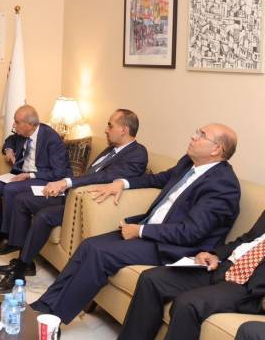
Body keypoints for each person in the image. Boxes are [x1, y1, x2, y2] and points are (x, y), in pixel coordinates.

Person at [30, 124, 241, 324]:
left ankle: (53, 320)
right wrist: (122, 183)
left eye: (202, 135)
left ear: (216, 149)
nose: (193, 136)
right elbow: (156, 180)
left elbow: (191, 233)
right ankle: (44, 306)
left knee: (101, 254)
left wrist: (140, 231)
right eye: (197, 132)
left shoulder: (223, 184)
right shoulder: (188, 163)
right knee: (89, 245)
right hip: (152, 231)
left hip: (175, 247)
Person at [0, 109, 148, 289]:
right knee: (22, 200)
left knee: (44, 215)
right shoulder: (111, 149)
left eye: (110, 125)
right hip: (74, 195)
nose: (106, 130)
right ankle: (24, 260)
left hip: (89, 204)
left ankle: (20, 270)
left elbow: (104, 177)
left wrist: (66, 182)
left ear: (124, 129)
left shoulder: (137, 154)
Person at [115, 211, 265, 340]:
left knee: (187, 304)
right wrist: (215, 255)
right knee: (151, 279)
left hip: (247, 284)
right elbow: (246, 240)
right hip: (222, 266)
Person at [0, 105, 71, 251]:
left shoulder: (52, 139)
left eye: (17, 122)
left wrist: (30, 175)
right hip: (21, 174)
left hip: (41, 178)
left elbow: (59, 173)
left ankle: (8, 236)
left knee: (10, 189)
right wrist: (8, 149)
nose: (13, 125)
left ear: (30, 124)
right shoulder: (23, 132)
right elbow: (10, 139)